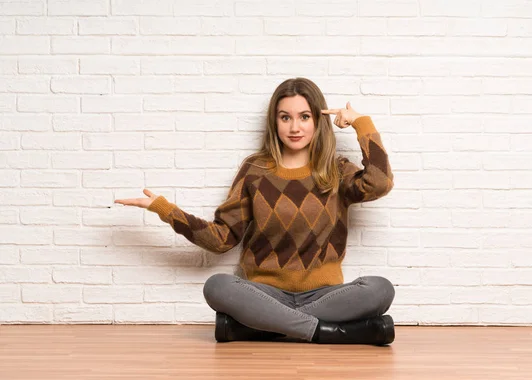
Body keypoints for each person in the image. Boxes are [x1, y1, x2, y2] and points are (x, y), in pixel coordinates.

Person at [115, 77, 396, 345]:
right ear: (274, 122)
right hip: (266, 294)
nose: (295, 127)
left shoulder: (335, 170)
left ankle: (266, 327)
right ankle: (323, 332)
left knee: (381, 289)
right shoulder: (255, 170)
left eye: (304, 117)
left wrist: (361, 123)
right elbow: (220, 239)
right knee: (217, 286)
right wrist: (164, 210)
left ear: (317, 121)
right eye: (285, 117)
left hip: (324, 295)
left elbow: (380, 183)